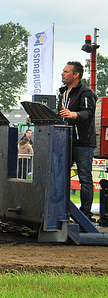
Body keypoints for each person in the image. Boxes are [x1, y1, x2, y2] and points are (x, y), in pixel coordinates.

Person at [58, 61, 97, 220]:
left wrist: (74, 114)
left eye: (66, 72)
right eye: (63, 71)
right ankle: (61, 210)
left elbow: (88, 113)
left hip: (83, 142)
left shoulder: (86, 92)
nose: (63, 74)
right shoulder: (62, 92)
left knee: (85, 178)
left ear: (76, 75)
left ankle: (86, 213)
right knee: (61, 176)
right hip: (65, 140)